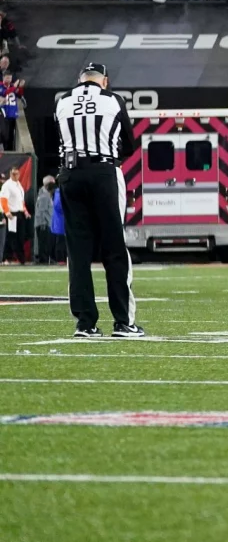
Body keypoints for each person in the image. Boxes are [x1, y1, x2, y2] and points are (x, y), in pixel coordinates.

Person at [53, 61, 143, 338]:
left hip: (70, 175)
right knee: (114, 248)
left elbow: (58, 138)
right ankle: (123, 321)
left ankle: (85, 323)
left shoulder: (62, 101)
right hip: (104, 172)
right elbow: (129, 144)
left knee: (77, 252)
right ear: (104, 80)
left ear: (80, 79)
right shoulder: (112, 100)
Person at [0, 165, 24, 265]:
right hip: (12, 214)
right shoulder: (7, 185)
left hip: (19, 213)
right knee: (11, 237)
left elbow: (21, 200)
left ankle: (19, 258)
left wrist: (25, 211)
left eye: (17, 174)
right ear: (10, 174)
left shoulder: (18, 185)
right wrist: (7, 213)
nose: (15, 176)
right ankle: (6, 257)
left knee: (20, 237)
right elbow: (3, 200)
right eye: (13, 174)